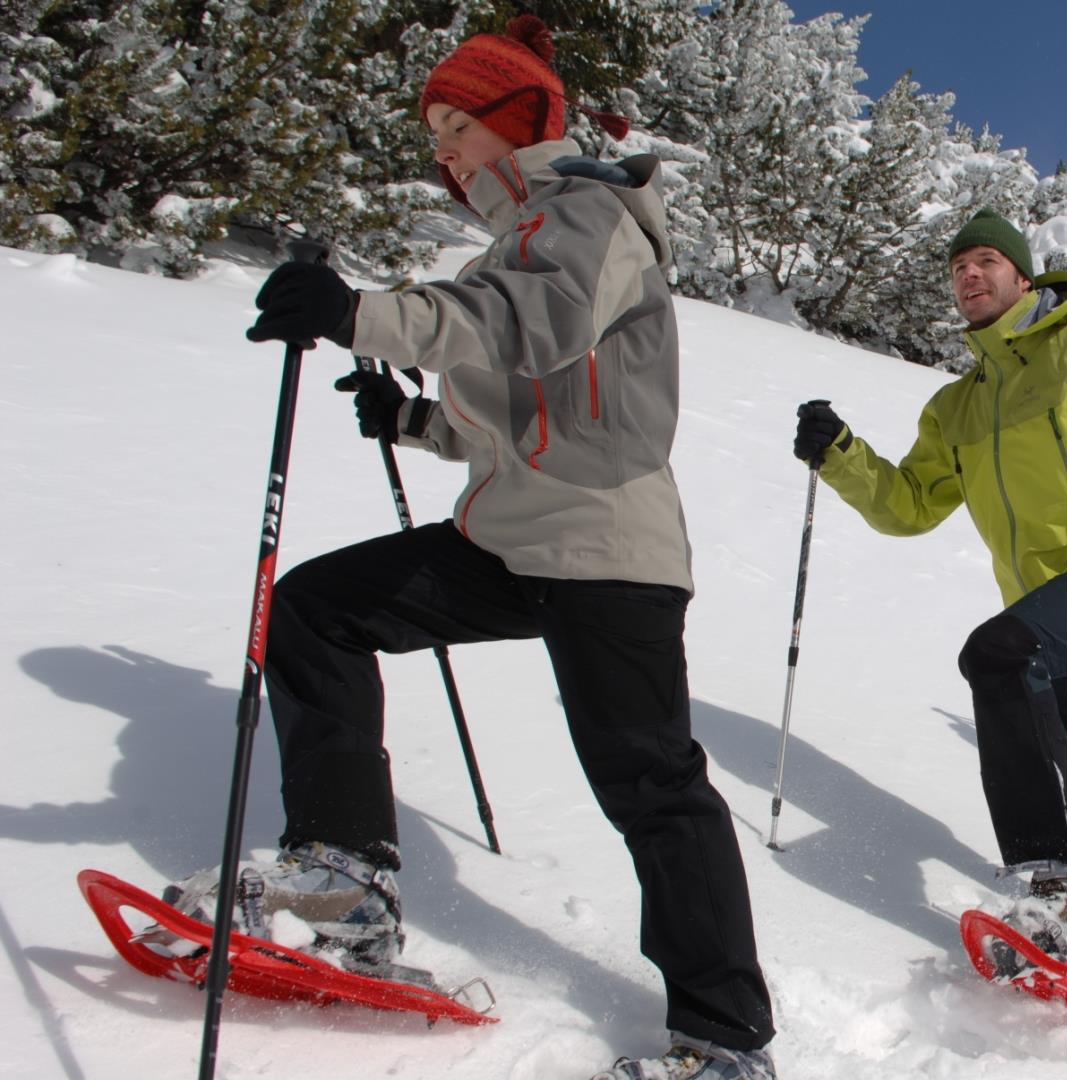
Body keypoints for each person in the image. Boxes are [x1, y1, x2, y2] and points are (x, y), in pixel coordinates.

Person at [168, 17, 777, 1079]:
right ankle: (347, 874)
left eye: (459, 124)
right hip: (506, 544)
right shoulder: (510, 241)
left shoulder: (590, 213)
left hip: (605, 551)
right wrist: (410, 422)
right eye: (433, 133)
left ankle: (725, 1041)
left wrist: (361, 314)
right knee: (317, 609)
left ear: (519, 119)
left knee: (651, 784)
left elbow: (531, 322)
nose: (444, 149)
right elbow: (517, 406)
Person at [790, 208, 1067, 1018]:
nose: (970, 276)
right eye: (957, 268)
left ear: (1024, 275)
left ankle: (1059, 881)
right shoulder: (957, 407)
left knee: (995, 655)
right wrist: (841, 454)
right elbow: (909, 506)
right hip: (1046, 610)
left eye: (986, 261)